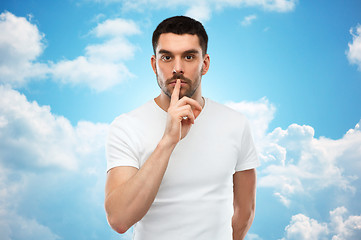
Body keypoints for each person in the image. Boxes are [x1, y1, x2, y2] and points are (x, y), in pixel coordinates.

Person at [105, 16, 260, 240]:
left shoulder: (236, 123)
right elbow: (119, 219)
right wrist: (168, 141)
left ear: (204, 64)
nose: (177, 68)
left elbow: (245, 212)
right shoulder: (126, 126)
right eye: (166, 57)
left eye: (188, 56)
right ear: (153, 64)